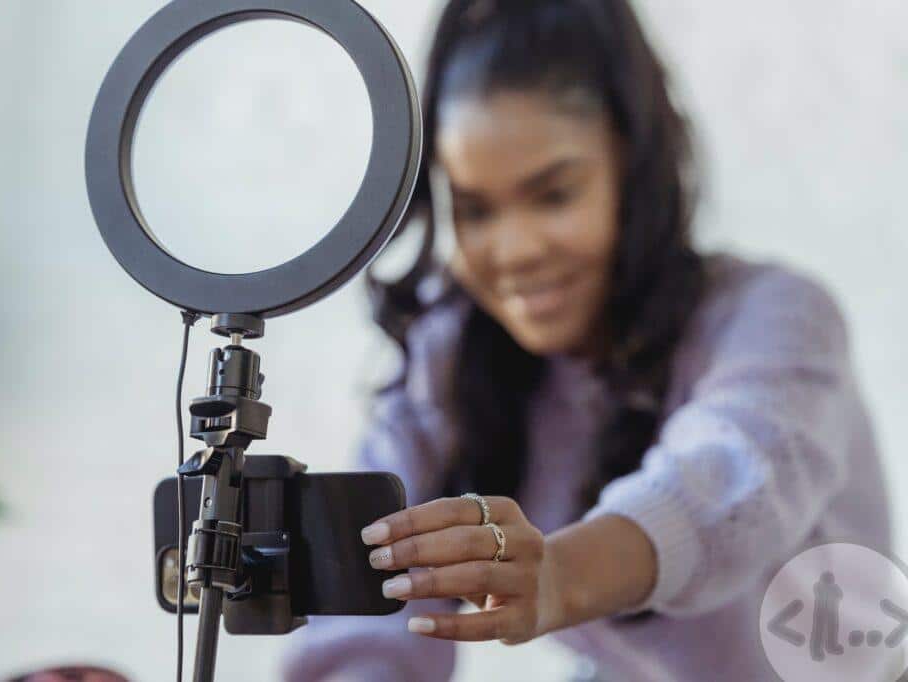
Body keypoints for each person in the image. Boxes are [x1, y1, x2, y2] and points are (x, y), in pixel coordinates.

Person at [282, 0, 890, 679]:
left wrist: (559, 578)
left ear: (631, 168)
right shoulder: (448, 358)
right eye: (475, 210)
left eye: (554, 194)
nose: (514, 251)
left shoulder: (775, 317)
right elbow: (370, 619)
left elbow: (728, 480)